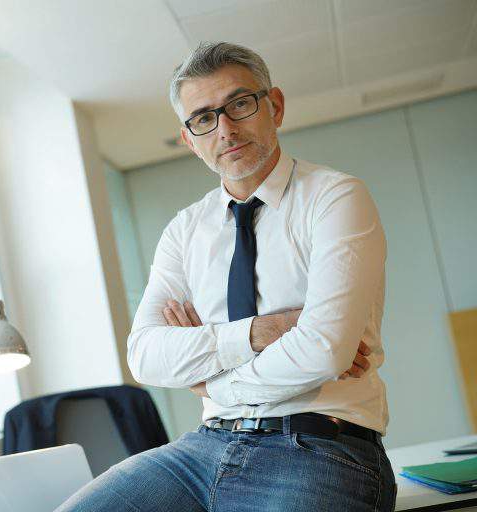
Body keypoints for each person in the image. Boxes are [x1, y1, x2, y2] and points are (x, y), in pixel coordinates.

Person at [56, 42, 395, 511]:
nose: (226, 129)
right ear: (190, 138)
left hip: (318, 446)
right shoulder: (184, 230)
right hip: (204, 448)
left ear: (273, 106)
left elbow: (322, 350)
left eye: (239, 104)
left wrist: (211, 380)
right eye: (204, 118)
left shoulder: (334, 197)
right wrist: (264, 332)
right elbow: (146, 356)